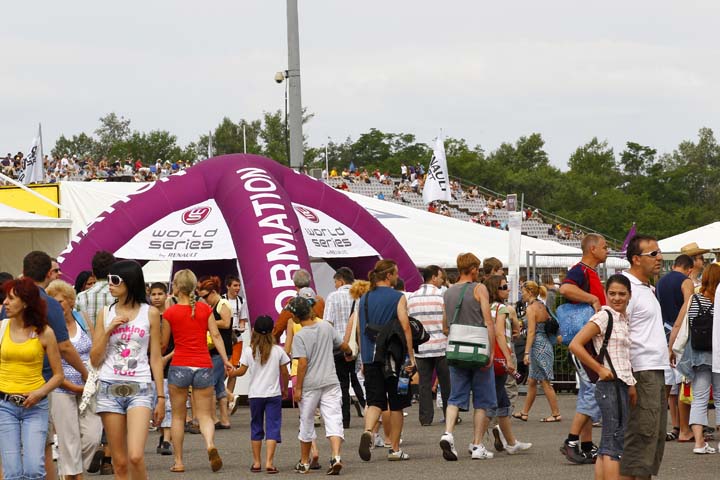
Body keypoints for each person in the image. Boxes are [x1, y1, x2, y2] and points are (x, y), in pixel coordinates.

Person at [89, 260, 166, 480]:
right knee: (120, 463)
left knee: (135, 456)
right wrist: (109, 329)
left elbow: (155, 357)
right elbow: (95, 358)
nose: (110, 285)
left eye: (115, 280)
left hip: (140, 387)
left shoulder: (150, 313)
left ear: (130, 282)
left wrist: (161, 397)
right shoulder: (105, 313)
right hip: (109, 387)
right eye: (109, 279)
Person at [22, 251, 89, 480]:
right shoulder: (48, 304)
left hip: (12, 380)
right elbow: (65, 347)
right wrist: (85, 372)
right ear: (48, 274)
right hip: (44, 382)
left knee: (18, 449)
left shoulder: (11, 302)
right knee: (45, 445)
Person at [162, 270, 233, 473]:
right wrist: (226, 360)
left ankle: (178, 462)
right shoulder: (204, 309)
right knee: (205, 415)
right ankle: (210, 444)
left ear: (176, 286)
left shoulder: (170, 313)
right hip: (203, 364)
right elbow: (216, 336)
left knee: (178, 416)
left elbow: (164, 344)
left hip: (179, 365)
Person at [569, 274, 637, 480]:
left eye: (622, 294)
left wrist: (631, 384)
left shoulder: (623, 319)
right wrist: (599, 369)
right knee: (615, 442)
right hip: (609, 384)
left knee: (609, 440)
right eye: (612, 293)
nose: (617, 298)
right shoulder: (604, 316)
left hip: (620, 383)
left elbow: (623, 357)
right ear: (606, 294)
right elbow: (575, 344)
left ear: (629, 295)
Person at [0, 277, 64, 480]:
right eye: (5, 298)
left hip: (35, 406)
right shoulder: (1, 327)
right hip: (4, 405)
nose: (5, 303)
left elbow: (58, 375)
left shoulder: (45, 332)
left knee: (34, 469)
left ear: (26, 302)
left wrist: (40, 392)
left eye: (11, 298)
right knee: (11, 472)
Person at [438, 253, 497, 461]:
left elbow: (445, 326)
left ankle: (448, 433)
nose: (478, 272)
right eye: (477, 268)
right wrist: (491, 351)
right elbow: (488, 321)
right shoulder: (479, 288)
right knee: (482, 400)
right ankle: (477, 445)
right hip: (478, 351)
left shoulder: (448, 292)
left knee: (455, 396)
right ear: (472, 269)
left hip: (456, 350)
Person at [620, 235, 669, 479]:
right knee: (641, 438)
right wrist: (628, 378)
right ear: (636, 259)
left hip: (654, 369)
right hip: (641, 370)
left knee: (654, 439)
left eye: (659, 252)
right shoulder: (626, 289)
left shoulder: (647, 288)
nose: (659, 258)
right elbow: (619, 331)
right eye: (653, 254)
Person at [357, 260, 415, 463]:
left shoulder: (364, 298)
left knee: (374, 401)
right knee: (396, 403)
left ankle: (368, 431)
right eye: (396, 273)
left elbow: (360, 330)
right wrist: (411, 356)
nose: (398, 276)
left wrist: (363, 358)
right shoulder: (398, 297)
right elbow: (405, 327)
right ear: (389, 275)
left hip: (370, 356)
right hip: (393, 357)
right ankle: (395, 449)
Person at [289, 296, 353, 475]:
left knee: (307, 421)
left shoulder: (300, 336)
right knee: (333, 418)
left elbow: (302, 363)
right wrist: (349, 353)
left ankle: (304, 462)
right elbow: (343, 345)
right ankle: (336, 456)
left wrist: (298, 388)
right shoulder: (326, 326)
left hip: (310, 385)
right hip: (330, 380)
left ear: (296, 316)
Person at [558, 233, 608, 464]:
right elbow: (565, 289)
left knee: (589, 392)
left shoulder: (591, 272)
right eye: (604, 247)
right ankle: (571, 441)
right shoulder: (581, 270)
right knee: (592, 391)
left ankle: (586, 445)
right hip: (584, 342)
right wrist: (592, 299)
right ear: (593, 249)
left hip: (590, 342)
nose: (607, 251)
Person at [46, 279, 102, 479]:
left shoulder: (83, 318)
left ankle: (71, 468)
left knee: (93, 436)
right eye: (52, 303)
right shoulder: (48, 327)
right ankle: (72, 475)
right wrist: (71, 385)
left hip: (89, 386)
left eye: (60, 301)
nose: (57, 306)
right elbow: (48, 364)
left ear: (70, 301)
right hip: (61, 388)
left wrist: (92, 378)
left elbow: (95, 348)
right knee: (68, 439)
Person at [229, 315, 290, 473]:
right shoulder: (278, 351)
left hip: (255, 394)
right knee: (272, 426)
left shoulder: (249, 351)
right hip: (273, 394)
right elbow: (285, 372)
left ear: (254, 331)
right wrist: (285, 388)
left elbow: (242, 371)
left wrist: (232, 372)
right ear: (272, 331)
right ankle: (269, 462)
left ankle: (257, 462)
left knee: (256, 426)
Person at [671, 263, 720, 454]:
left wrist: (671, 347)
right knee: (719, 397)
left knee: (699, 397)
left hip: (698, 354)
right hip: (717, 354)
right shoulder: (718, 301)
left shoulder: (694, 299)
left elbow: (679, 325)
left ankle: (699, 442)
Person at [484, 275, 532, 455]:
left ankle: (511, 442)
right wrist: (509, 358)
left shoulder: (484, 307)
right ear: (495, 290)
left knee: (501, 400)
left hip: (486, 355)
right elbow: (500, 335)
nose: (508, 289)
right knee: (494, 399)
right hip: (500, 356)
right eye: (504, 287)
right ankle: (477, 442)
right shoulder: (502, 308)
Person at [656, 254, 694, 443]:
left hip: (661, 332)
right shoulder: (686, 281)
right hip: (678, 333)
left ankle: (662, 427)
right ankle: (685, 429)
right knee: (683, 382)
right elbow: (688, 305)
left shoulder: (660, 282)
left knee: (666, 385)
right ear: (689, 269)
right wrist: (678, 328)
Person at [407, 265, 450, 426]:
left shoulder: (412, 298)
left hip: (421, 347)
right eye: (440, 277)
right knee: (446, 383)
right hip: (441, 345)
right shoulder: (442, 295)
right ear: (433, 277)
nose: (442, 280)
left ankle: (425, 417)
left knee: (424, 383)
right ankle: (450, 415)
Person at [324, 267, 366, 428]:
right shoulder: (360, 296)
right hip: (356, 344)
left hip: (339, 345)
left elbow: (328, 323)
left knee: (342, 382)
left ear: (341, 281)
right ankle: (368, 408)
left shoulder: (333, 297)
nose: (335, 285)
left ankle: (345, 418)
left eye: (335, 282)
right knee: (356, 378)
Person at [515, 281, 561, 423]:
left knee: (545, 381)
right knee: (532, 381)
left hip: (537, 346)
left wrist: (526, 353)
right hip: (545, 344)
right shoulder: (542, 305)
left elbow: (531, 332)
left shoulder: (531, 308)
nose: (521, 294)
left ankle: (556, 413)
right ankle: (524, 412)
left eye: (523, 291)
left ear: (529, 292)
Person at [196, 276, 234, 429]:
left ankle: (213, 418)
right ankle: (223, 420)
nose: (204, 300)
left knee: (209, 384)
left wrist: (207, 322)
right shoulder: (214, 305)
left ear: (213, 292)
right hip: (216, 350)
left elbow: (226, 323)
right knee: (218, 385)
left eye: (205, 296)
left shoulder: (223, 304)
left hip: (221, 349)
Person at [149, 282, 173, 456]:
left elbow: (179, 342)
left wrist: (167, 358)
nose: (157, 297)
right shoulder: (147, 316)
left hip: (170, 363)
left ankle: (166, 439)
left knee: (167, 401)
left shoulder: (171, 316)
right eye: (153, 294)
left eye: (160, 294)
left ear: (166, 295)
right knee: (153, 402)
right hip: (149, 363)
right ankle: (162, 433)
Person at [272, 269, 325, 344]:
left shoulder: (292, 303)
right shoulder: (320, 301)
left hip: (301, 343)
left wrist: (273, 343)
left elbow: (279, 328)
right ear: (309, 282)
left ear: (295, 284)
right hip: (321, 342)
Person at [223, 274, 249, 414]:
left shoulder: (241, 301)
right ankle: (225, 396)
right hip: (224, 338)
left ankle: (229, 402)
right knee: (223, 371)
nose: (237, 288)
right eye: (235, 285)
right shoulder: (221, 300)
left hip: (237, 338)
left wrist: (241, 326)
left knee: (233, 371)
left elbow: (242, 319)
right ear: (228, 286)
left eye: (238, 286)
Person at [76, 250, 116, 328]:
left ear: (93, 273)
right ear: (114, 271)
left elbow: (77, 325)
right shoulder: (121, 295)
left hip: (89, 335)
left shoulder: (81, 297)